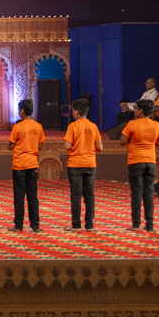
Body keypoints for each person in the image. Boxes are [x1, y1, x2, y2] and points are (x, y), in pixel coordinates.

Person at [120, 99, 159, 232]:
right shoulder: (156, 125)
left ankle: (136, 224)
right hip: (151, 161)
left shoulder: (132, 124)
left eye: (136, 109)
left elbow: (122, 141)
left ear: (140, 111)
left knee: (136, 192)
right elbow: (158, 144)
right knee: (148, 192)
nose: (135, 111)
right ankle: (150, 225)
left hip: (136, 161)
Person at [63, 98, 102, 232]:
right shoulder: (93, 126)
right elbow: (100, 147)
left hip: (75, 164)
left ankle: (76, 225)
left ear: (76, 112)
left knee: (76, 196)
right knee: (89, 196)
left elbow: (67, 146)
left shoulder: (72, 126)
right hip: (90, 163)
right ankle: (90, 225)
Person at [7, 99, 45, 233]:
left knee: (19, 196)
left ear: (22, 111)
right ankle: (35, 225)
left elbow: (10, 146)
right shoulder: (38, 127)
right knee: (32, 196)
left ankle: (18, 225)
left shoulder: (17, 127)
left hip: (19, 165)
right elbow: (40, 145)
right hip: (33, 164)